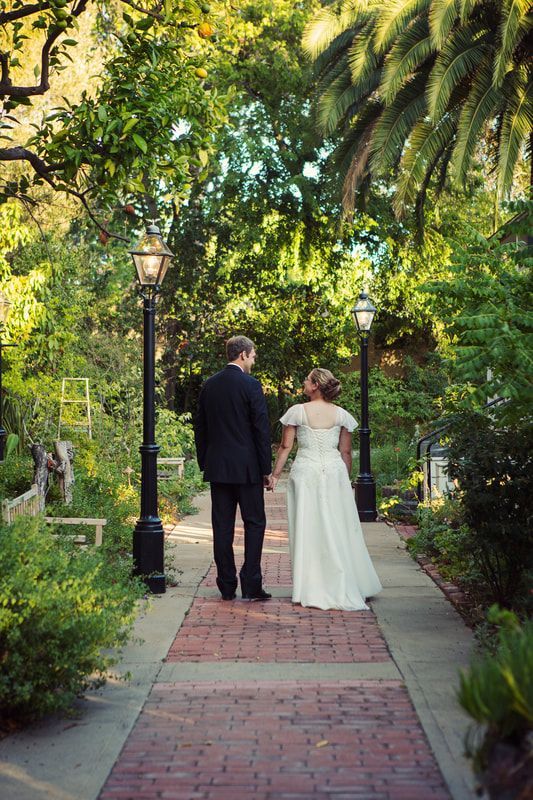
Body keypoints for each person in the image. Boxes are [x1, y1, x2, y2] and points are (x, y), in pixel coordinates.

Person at [271, 368, 382, 610]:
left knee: (307, 526)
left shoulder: (297, 412)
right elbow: (345, 452)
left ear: (315, 386)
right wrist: (346, 479)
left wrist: (275, 476)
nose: (303, 381)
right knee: (338, 524)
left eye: (307, 379)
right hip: (334, 472)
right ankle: (343, 578)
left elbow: (285, 446)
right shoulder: (342, 415)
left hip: (306, 472)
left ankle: (309, 585)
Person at [194, 335, 273, 602]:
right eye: (252, 356)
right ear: (242, 354)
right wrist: (266, 469)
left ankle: (226, 584)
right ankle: (251, 584)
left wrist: (205, 461)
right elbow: (261, 429)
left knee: (222, 527)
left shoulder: (209, 385)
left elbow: (200, 428)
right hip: (248, 468)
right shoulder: (251, 385)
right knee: (254, 523)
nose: (253, 360)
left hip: (218, 468)